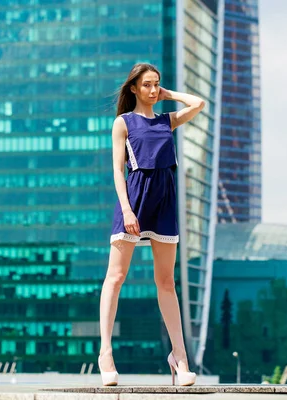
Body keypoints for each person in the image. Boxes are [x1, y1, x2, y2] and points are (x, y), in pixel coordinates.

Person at [98, 63, 205, 386]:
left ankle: (179, 357)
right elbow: (119, 170)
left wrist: (168, 94)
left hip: (165, 200)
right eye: (147, 85)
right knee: (115, 278)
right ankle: (105, 353)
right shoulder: (123, 123)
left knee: (167, 282)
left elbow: (198, 104)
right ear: (133, 88)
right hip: (135, 196)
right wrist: (128, 211)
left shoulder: (166, 121)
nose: (153, 90)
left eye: (156, 84)